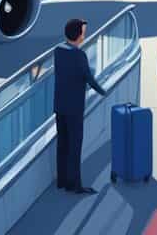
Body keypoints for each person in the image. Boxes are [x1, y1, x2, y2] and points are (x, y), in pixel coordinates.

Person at [53, 18, 107, 194]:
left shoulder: (58, 50)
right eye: (83, 32)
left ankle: (62, 180)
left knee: (62, 144)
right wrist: (103, 91)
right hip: (74, 108)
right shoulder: (79, 55)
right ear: (77, 35)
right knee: (75, 147)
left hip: (60, 105)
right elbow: (89, 78)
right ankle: (75, 184)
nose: (84, 35)